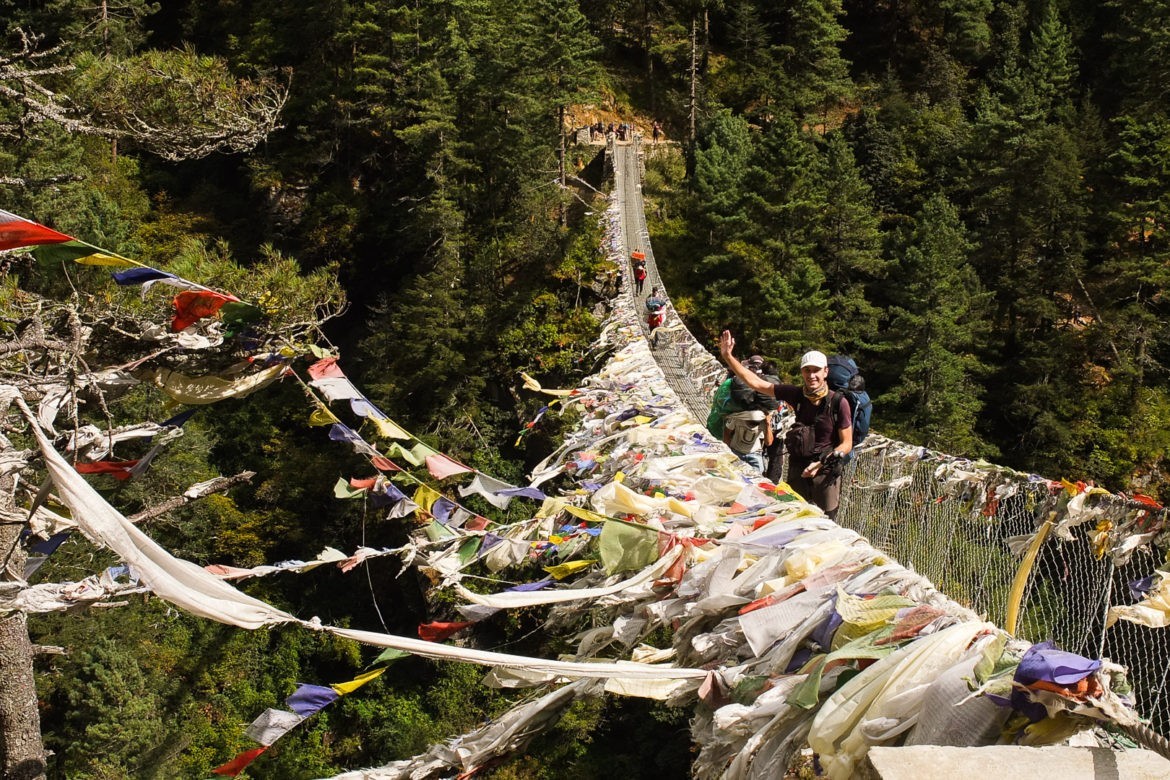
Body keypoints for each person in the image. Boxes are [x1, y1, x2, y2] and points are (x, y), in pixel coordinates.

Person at [718, 331, 852, 518]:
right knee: (795, 517)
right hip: (798, 467)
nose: (811, 375)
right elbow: (756, 383)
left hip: (825, 471)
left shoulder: (838, 402)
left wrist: (822, 462)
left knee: (826, 520)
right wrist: (728, 357)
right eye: (807, 370)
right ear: (802, 372)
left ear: (825, 372)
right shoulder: (796, 394)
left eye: (816, 370)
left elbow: (847, 443)